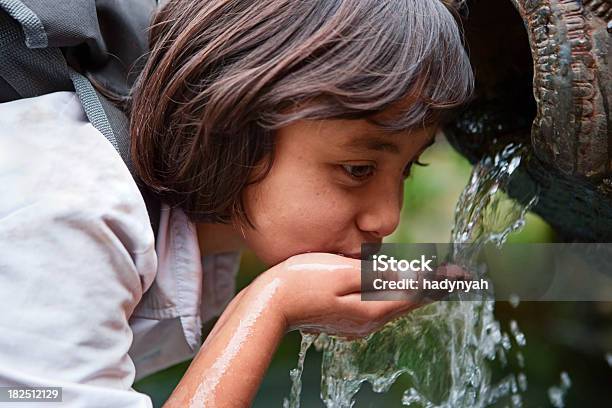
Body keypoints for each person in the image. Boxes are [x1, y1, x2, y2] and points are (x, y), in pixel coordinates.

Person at [0, 0, 473, 406]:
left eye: (408, 168)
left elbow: (527, 272)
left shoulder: (190, 223)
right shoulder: (77, 212)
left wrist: (492, 274)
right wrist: (270, 306)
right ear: (236, 126)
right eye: (357, 169)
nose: (387, 218)